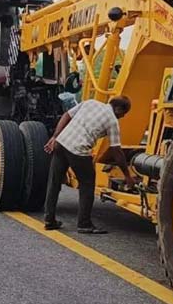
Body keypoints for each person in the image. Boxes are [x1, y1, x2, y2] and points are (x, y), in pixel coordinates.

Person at [42, 96, 135, 234]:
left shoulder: (90, 103)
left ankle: (49, 220)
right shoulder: (112, 120)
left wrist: (55, 136)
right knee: (87, 184)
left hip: (61, 143)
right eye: (123, 113)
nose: (123, 116)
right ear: (118, 109)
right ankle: (84, 224)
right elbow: (117, 151)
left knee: (54, 182)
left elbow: (66, 115)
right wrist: (127, 175)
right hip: (78, 150)